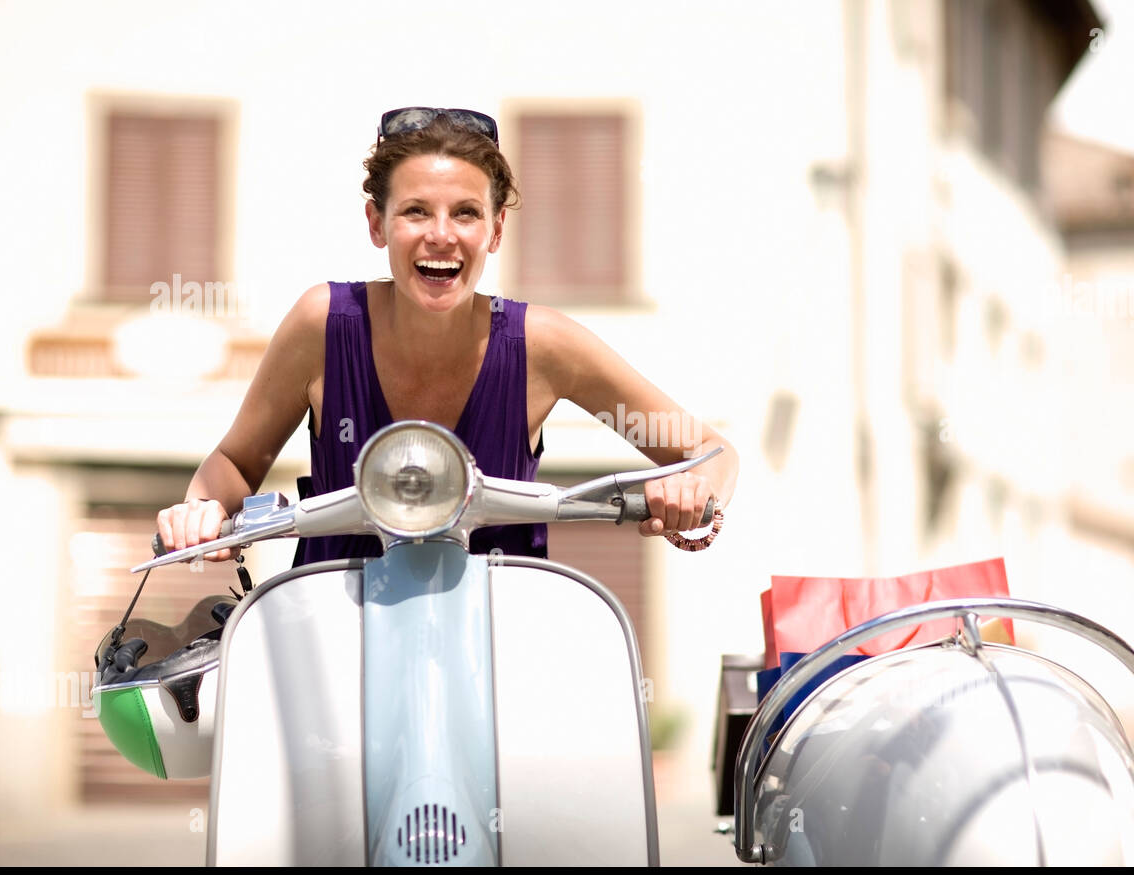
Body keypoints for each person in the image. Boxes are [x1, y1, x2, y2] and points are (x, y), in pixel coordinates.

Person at [155, 107, 738, 561]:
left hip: (493, 653)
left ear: (496, 229)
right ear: (377, 224)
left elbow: (710, 453)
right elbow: (235, 461)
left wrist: (692, 495)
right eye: (415, 212)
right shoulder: (323, 325)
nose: (441, 235)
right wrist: (200, 511)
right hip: (329, 648)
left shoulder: (543, 345)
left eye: (465, 213)